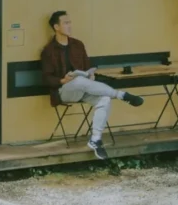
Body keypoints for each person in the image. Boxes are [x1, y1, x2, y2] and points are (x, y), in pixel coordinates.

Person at [40, 10, 143, 160]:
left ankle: (95, 140)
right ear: (56, 27)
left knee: (104, 100)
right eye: (66, 23)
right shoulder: (49, 51)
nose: (70, 26)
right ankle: (120, 95)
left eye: (70, 22)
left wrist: (91, 74)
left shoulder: (78, 45)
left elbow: (87, 67)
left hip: (83, 89)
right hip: (63, 91)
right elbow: (46, 79)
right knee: (79, 80)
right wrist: (62, 80)